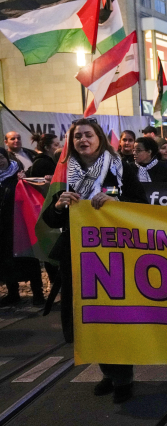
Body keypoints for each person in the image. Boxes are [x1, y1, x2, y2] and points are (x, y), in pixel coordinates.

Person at [42, 118, 147, 403]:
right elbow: (50, 218)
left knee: (114, 316)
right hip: (78, 253)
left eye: (88, 135)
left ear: (99, 138)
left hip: (115, 255)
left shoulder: (121, 167)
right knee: (89, 316)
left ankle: (123, 377)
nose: (83, 140)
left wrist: (116, 204)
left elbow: (143, 207)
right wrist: (59, 204)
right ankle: (107, 372)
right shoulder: (63, 171)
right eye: (77, 137)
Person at [0, 147, 45, 307]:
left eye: (1, 157)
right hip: (3, 229)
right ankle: (13, 293)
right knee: (6, 261)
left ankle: (38, 294)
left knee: (28, 259)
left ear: (6, 157)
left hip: (20, 225)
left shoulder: (19, 176)